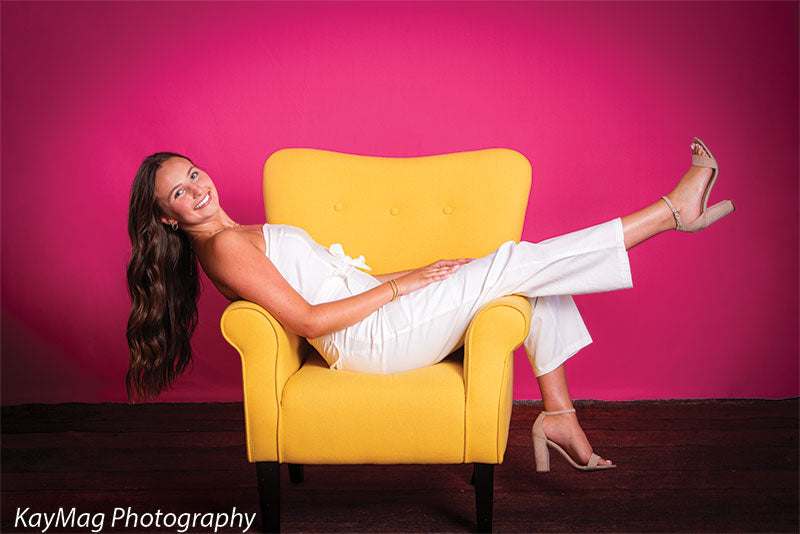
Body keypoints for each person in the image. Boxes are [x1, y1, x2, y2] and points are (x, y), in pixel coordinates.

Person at [126, 138, 734, 472]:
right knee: (518, 261)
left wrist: (413, 276)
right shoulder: (225, 246)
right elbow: (310, 321)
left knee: (513, 274)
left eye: (194, 173)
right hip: (365, 340)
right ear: (166, 216)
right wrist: (402, 285)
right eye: (179, 191)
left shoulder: (238, 234)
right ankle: (668, 214)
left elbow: (333, 282)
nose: (198, 189)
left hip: (375, 320)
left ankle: (558, 413)